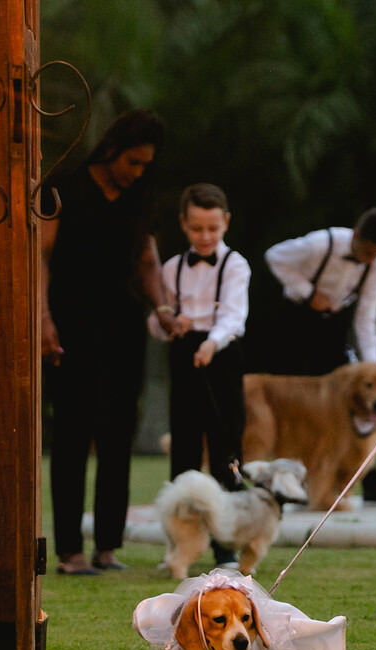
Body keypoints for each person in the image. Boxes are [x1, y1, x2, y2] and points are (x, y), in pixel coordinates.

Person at [40, 109, 176, 575]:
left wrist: (162, 308)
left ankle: (107, 547)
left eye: (145, 165)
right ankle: (70, 551)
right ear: (113, 148)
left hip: (123, 323)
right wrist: (43, 318)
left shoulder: (139, 196)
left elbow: (148, 259)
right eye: (132, 162)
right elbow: (41, 256)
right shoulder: (64, 187)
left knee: (118, 433)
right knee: (74, 431)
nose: (137, 172)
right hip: (72, 322)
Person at [263, 208, 376, 504]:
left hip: (333, 327)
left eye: (375, 255)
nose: (368, 260)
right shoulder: (320, 244)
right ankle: (285, 487)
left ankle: (370, 482)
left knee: (350, 404)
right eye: (365, 251)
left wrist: (372, 368)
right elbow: (274, 256)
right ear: (354, 236)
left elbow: (365, 318)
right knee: (292, 407)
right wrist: (308, 291)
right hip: (294, 323)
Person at [152, 183, 251, 569]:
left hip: (222, 355)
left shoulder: (236, 264)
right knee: (184, 451)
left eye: (213, 228)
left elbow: (234, 315)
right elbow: (155, 323)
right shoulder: (171, 267)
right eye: (197, 229)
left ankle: (226, 547)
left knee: (226, 447)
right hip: (183, 356)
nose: (206, 237)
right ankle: (181, 547)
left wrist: (212, 343)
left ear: (225, 222)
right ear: (184, 225)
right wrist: (168, 322)